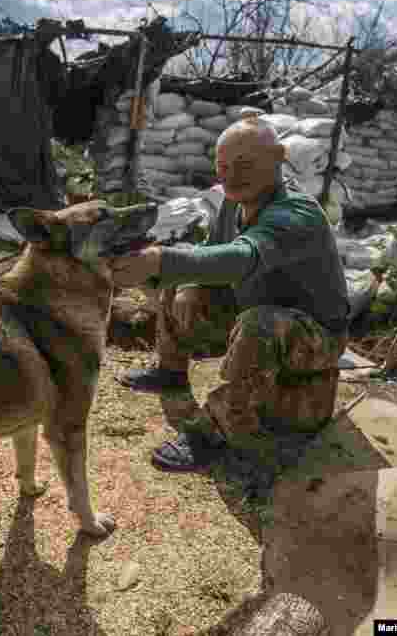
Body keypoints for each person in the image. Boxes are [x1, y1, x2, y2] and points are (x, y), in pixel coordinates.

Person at [111, 111, 350, 471]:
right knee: (185, 276)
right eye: (222, 167)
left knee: (260, 322)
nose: (230, 176)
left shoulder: (296, 213)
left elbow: (242, 257)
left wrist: (161, 259)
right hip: (257, 310)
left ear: (278, 158)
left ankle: (216, 430)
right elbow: (210, 250)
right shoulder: (231, 202)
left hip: (313, 337)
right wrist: (186, 279)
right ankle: (170, 370)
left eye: (243, 163)